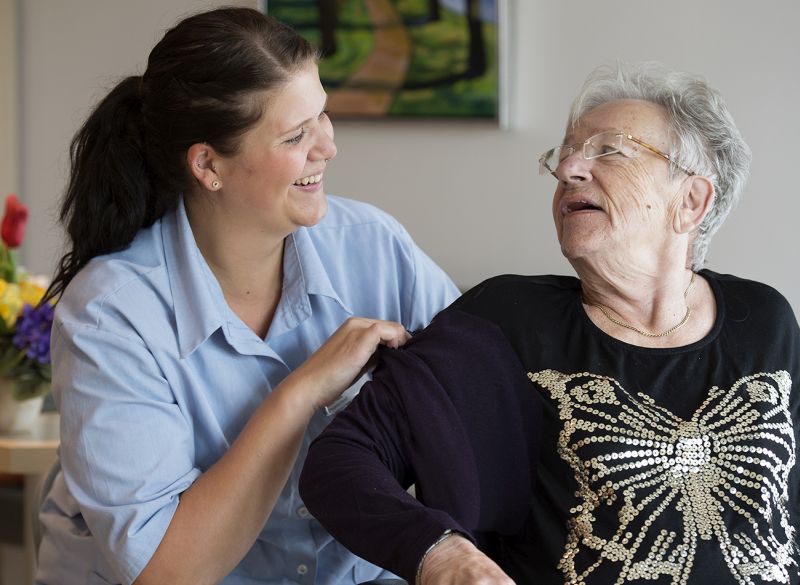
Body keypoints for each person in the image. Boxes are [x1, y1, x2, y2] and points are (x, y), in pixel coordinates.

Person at [299, 61, 800, 585]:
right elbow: (340, 464)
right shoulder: (503, 324)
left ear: (691, 200)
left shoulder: (763, 319)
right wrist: (440, 553)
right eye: (564, 156)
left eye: (609, 150)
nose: (569, 170)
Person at [35, 7, 459, 585]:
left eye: (323, 114)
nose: (328, 146)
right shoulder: (111, 313)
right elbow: (167, 571)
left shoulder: (376, 245)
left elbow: (480, 386)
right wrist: (302, 391)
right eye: (295, 135)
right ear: (208, 164)